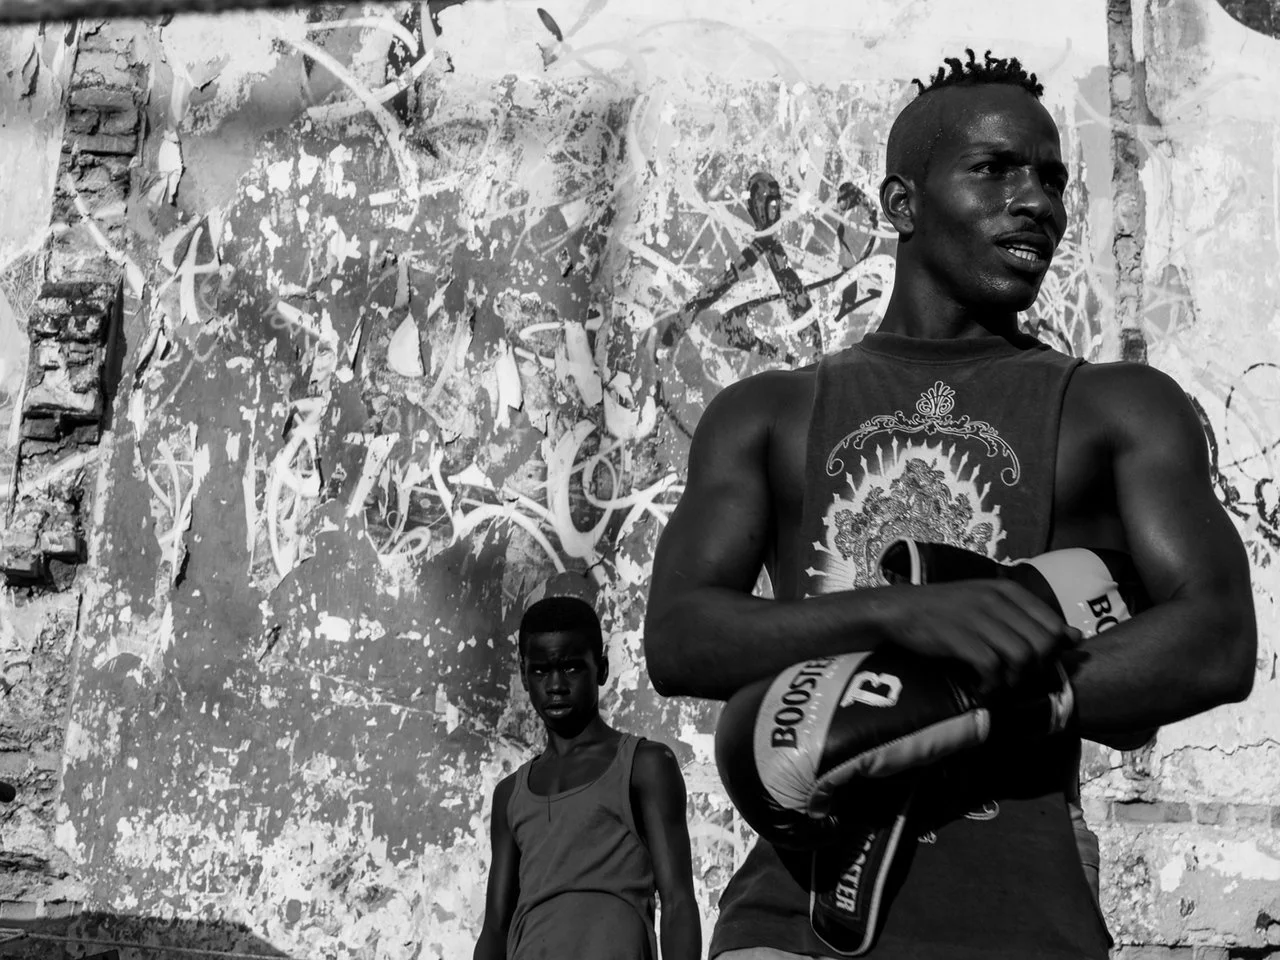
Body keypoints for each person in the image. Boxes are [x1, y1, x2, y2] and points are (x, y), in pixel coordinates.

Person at [644, 49, 1257, 959]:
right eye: (994, 168)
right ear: (902, 206)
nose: (1037, 201)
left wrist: (969, 698)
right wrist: (908, 611)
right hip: (795, 914)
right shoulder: (768, 413)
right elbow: (680, 638)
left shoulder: (1118, 406)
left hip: (1016, 913)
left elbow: (1217, 638)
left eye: (1051, 178)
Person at [474, 579, 702, 960]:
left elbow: (678, 903)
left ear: (602, 669)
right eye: (542, 671)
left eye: (572, 668)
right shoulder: (510, 795)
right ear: (524, 675)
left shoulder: (644, 767)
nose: (557, 685)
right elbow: (496, 927)